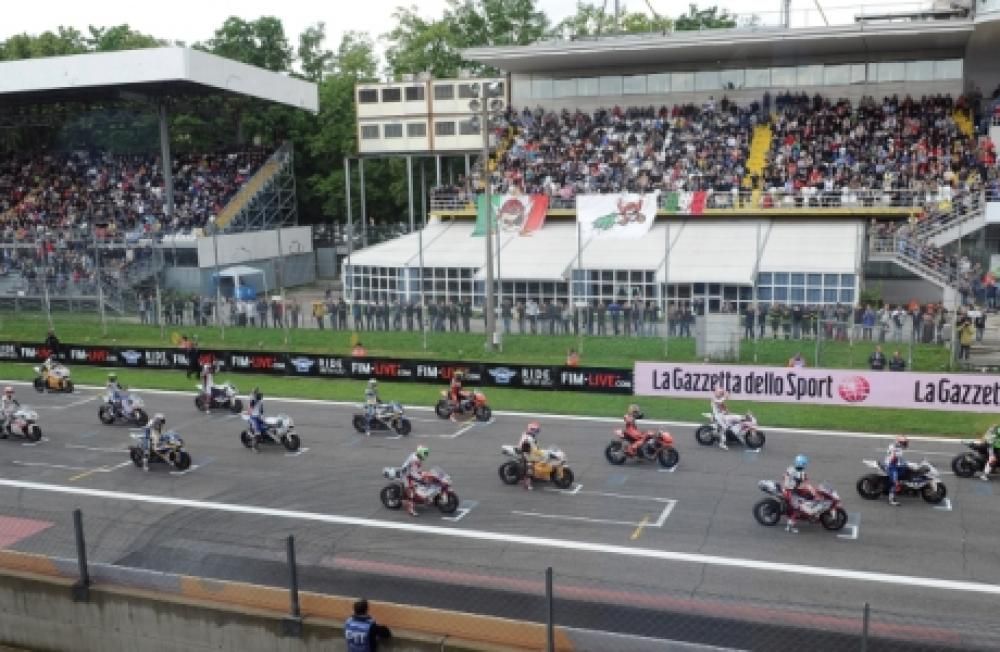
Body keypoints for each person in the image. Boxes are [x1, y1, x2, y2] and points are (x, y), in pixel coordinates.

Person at [782, 454, 820, 532]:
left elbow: (784, 476)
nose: (805, 465)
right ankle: (789, 527)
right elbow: (806, 483)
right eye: (804, 464)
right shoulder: (799, 474)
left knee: (805, 494)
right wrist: (813, 491)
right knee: (800, 508)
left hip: (789, 489)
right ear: (801, 464)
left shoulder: (790, 468)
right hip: (789, 492)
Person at [401, 446, 431, 516]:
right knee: (411, 491)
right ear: (421, 453)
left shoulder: (416, 455)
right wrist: (421, 479)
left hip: (411, 472)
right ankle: (410, 509)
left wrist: (423, 475)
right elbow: (413, 473)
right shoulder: (415, 460)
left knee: (425, 479)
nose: (426, 455)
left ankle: (425, 498)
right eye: (425, 453)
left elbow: (416, 470)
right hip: (406, 475)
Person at [885, 435, 909, 506]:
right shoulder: (895, 449)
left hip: (894, 464)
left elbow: (900, 459)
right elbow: (894, 459)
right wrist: (901, 463)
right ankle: (891, 499)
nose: (905, 444)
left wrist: (905, 463)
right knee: (895, 483)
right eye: (904, 443)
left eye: (905, 443)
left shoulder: (897, 447)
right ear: (899, 442)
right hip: (892, 466)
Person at [518, 421, 542, 490]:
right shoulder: (527, 439)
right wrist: (536, 452)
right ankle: (527, 484)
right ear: (532, 430)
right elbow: (526, 449)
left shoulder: (531, 436)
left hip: (529, 451)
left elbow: (535, 446)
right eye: (536, 430)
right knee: (529, 466)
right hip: (525, 453)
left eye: (537, 430)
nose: (537, 432)